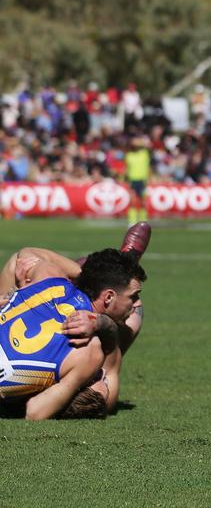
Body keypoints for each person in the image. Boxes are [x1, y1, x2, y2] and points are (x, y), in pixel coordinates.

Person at [0, 246, 146, 420]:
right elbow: (34, 412)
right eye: (133, 296)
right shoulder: (88, 349)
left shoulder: (50, 276)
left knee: (15, 268)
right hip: (25, 392)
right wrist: (104, 323)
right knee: (131, 324)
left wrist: (89, 275)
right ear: (108, 297)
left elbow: (24, 254)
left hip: (51, 294)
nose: (137, 303)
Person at [124, 133, 150, 224]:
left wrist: (139, 141)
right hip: (132, 180)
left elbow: (148, 145)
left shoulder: (144, 153)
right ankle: (132, 222)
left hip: (142, 180)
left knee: (143, 202)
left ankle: (143, 221)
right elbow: (127, 169)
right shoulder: (129, 155)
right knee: (133, 202)